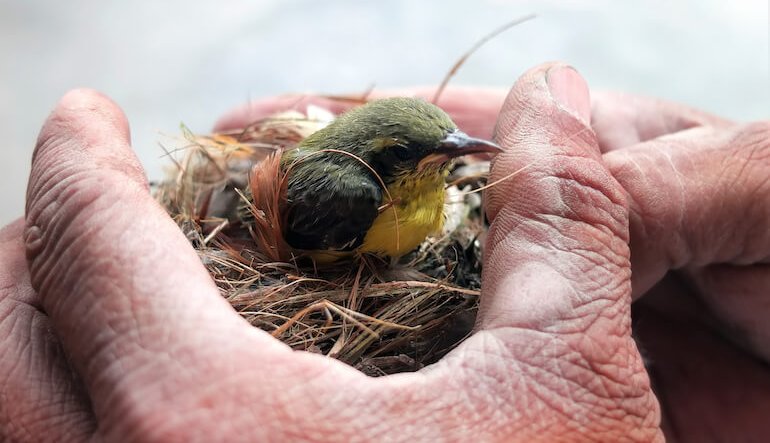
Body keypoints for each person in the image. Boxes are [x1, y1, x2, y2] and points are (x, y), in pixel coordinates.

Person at [1, 62, 768, 442]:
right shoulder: (353, 194)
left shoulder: (433, 191)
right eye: (425, 150)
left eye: (454, 144)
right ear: (385, 159)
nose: (460, 153)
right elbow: (264, 227)